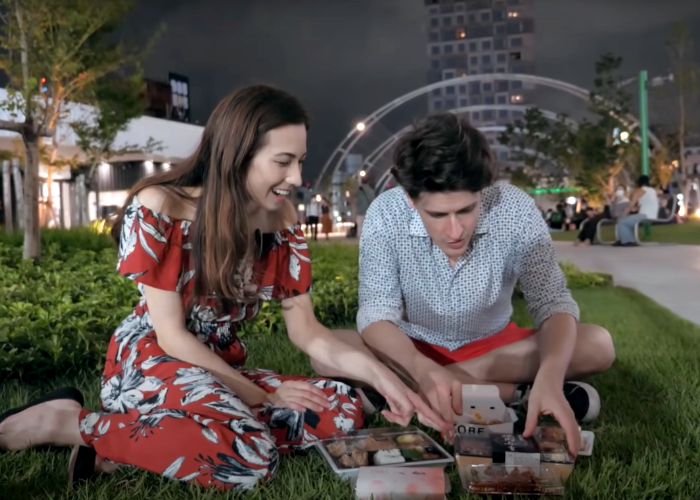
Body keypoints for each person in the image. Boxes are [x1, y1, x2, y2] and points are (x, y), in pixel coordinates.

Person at [0, 85, 441, 490]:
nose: (295, 176)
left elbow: (308, 333)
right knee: (250, 458)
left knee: (342, 406)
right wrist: (264, 396)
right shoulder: (162, 206)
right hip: (155, 358)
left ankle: (154, 437)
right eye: (283, 161)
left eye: (300, 161)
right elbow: (172, 336)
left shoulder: (280, 218)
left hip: (220, 366)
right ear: (238, 153)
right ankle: (65, 424)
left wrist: (385, 378)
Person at [315, 114, 616, 454]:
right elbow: (375, 313)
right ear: (412, 201)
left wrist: (551, 370)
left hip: (497, 348)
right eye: (438, 215)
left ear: (481, 191)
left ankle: (404, 389)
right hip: (413, 348)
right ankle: (513, 394)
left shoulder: (513, 207)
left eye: (466, 210)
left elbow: (552, 302)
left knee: (598, 344)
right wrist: (421, 367)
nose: (455, 231)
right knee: (325, 352)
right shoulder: (386, 213)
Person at [614, 175, 659, 247]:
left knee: (622, 221)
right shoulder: (653, 191)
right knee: (624, 220)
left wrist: (624, 214)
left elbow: (631, 205)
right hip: (653, 216)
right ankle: (623, 239)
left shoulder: (638, 191)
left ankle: (628, 240)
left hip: (644, 215)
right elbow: (642, 205)